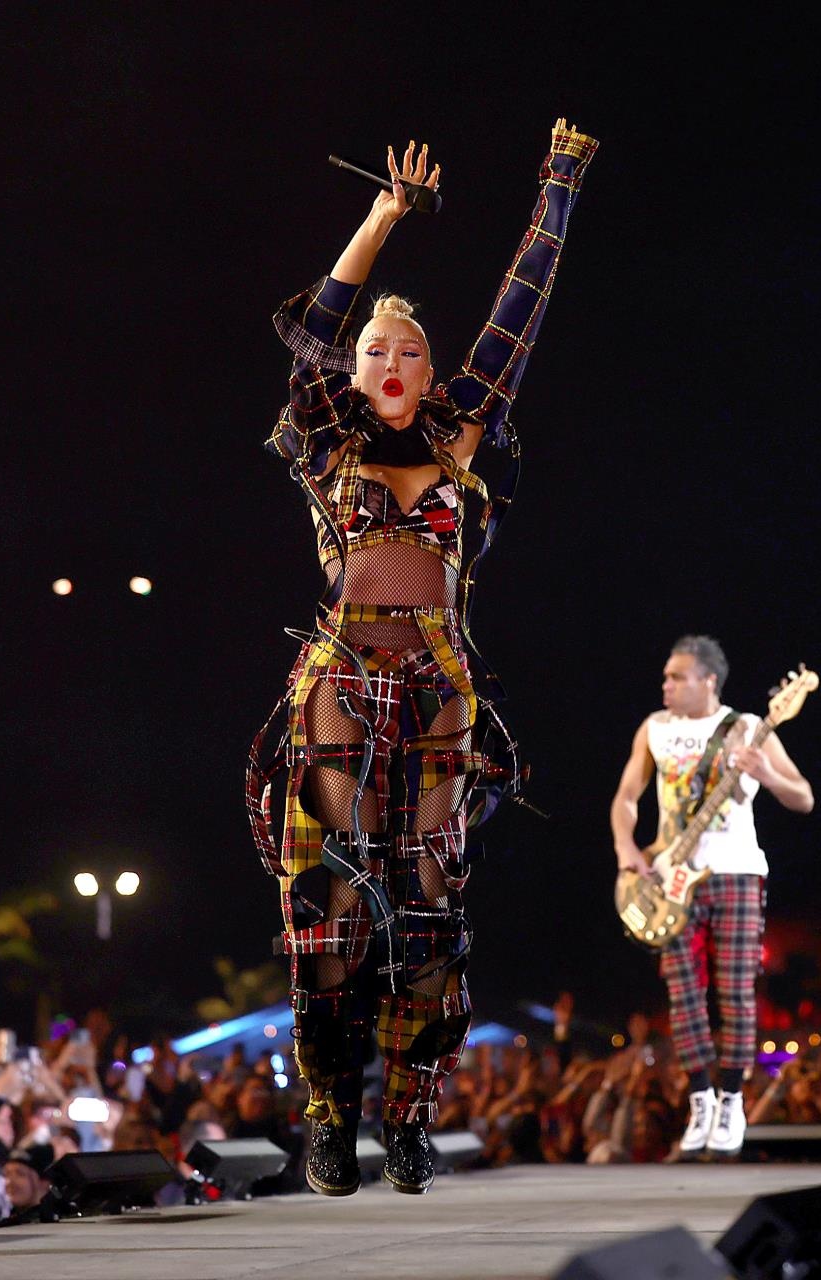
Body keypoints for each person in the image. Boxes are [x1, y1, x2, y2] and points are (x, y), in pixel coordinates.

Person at [246, 120, 597, 1197]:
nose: (388, 363)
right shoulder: (324, 435)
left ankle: (407, 1116)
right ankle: (323, 1109)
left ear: (432, 370)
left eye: (408, 351)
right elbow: (308, 333)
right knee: (328, 911)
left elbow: (519, 318)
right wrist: (384, 218)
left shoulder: (459, 435)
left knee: (435, 906)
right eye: (374, 352)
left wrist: (558, 186)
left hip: (440, 678)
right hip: (341, 673)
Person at [608, 635, 815, 1160]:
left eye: (677, 677)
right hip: (672, 875)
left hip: (737, 871)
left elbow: (803, 797)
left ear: (708, 681)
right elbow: (627, 797)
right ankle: (701, 1098)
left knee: (736, 990)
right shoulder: (653, 729)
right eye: (666, 676)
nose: (667, 685)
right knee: (683, 994)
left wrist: (763, 772)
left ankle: (731, 1098)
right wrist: (625, 847)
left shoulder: (746, 727)